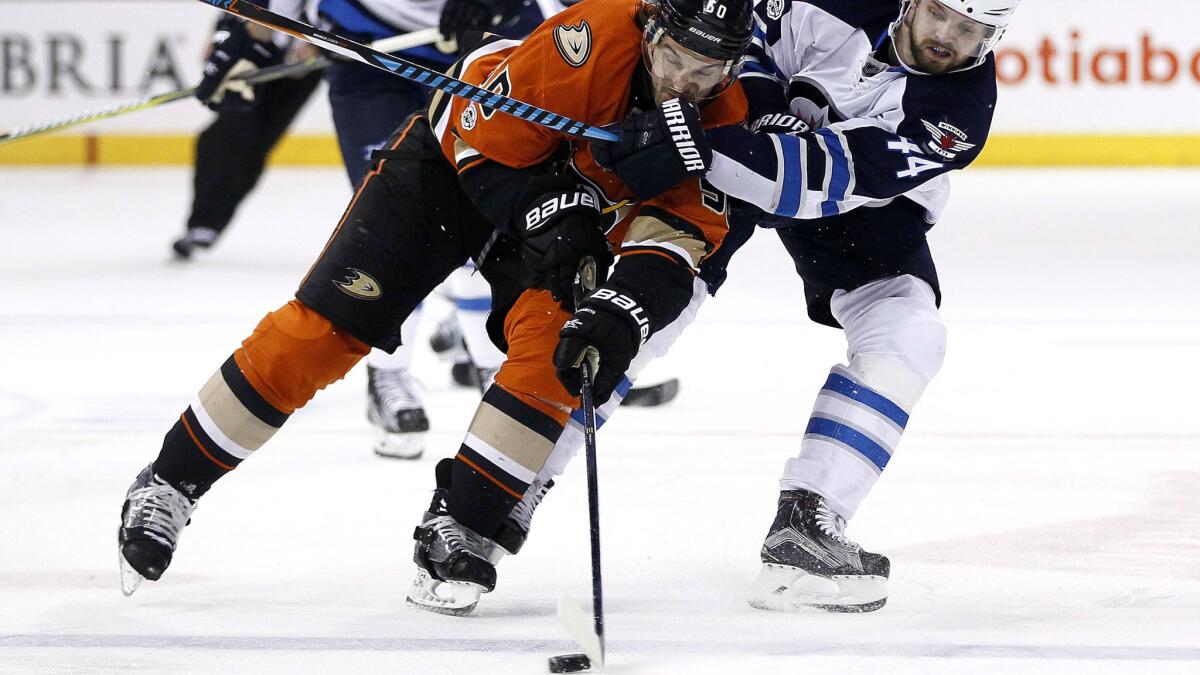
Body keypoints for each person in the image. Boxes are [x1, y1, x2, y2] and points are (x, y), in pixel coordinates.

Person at [116, 0, 752, 602]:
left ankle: (462, 522)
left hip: (564, 216)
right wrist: (552, 217)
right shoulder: (588, 43)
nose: (684, 83)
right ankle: (169, 482)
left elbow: (680, 237)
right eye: (674, 59)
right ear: (650, 30)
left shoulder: (723, 117)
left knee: (560, 354)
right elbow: (475, 143)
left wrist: (625, 309)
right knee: (325, 331)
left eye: (707, 70)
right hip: (453, 170)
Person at [605, 0, 1020, 612]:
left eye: (972, 30)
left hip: (849, 207)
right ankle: (495, 500)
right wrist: (753, 109)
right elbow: (742, 39)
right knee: (637, 311)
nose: (948, 37)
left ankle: (806, 523)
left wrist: (706, 147)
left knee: (909, 332)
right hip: (734, 146)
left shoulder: (958, 109)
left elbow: (821, 184)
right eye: (940, 14)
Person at [188, 0, 551, 459]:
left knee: (491, 207)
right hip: (372, 56)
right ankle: (390, 374)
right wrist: (251, 37)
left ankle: (493, 361)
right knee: (398, 221)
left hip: (487, 49)